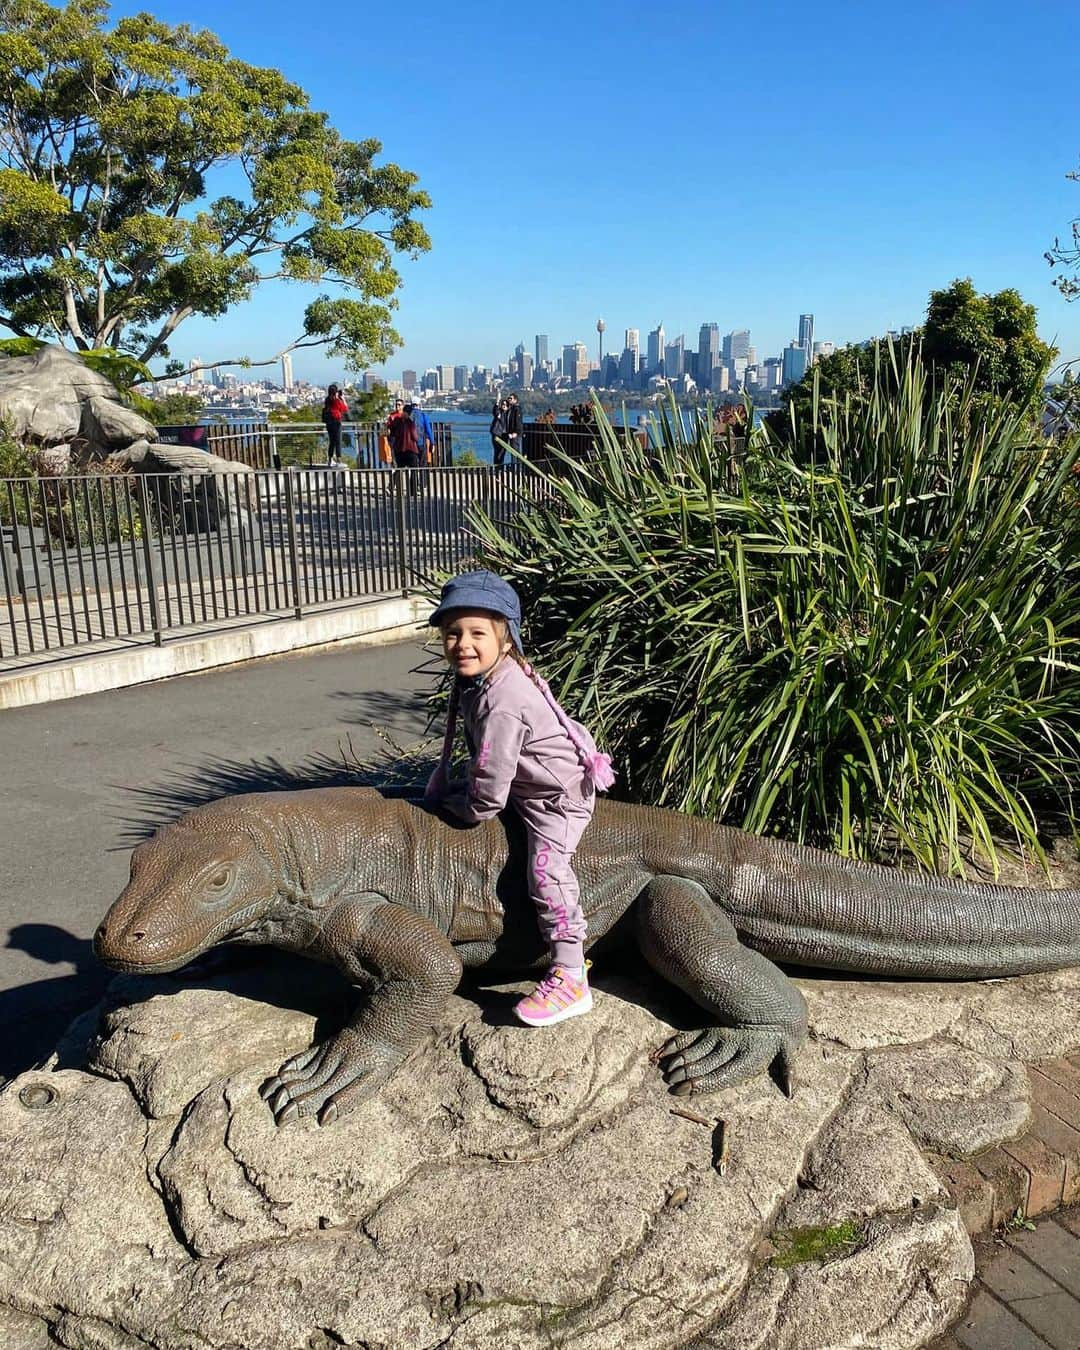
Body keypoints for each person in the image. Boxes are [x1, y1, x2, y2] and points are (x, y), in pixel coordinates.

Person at [424, 571, 615, 1026]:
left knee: (547, 869)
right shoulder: (480, 681)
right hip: (529, 784)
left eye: (477, 633)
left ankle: (571, 974)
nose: (462, 644)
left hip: (557, 797)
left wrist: (469, 806)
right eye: (453, 633)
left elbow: (490, 778)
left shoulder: (502, 698)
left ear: (505, 641)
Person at [321, 384, 349, 466]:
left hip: (329, 423)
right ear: (335, 392)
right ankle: (339, 460)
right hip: (336, 422)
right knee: (338, 441)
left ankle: (330, 460)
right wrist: (343, 399)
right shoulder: (336, 401)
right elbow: (345, 409)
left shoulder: (327, 400)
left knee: (332, 441)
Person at [409, 402, 435, 466]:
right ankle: (423, 475)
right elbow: (428, 430)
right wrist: (432, 442)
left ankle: (413, 475)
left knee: (413, 465)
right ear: (419, 405)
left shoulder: (409, 416)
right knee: (423, 464)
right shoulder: (423, 415)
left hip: (411, 444)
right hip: (421, 443)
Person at [503, 392, 522, 468]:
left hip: (515, 434)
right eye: (508, 398)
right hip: (510, 433)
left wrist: (515, 433)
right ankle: (514, 468)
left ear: (515, 400)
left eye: (511, 398)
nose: (509, 399)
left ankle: (517, 469)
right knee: (512, 451)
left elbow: (518, 422)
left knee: (515, 451)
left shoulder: (517, 409)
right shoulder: (510, 409)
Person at [489, 398, 508, 465]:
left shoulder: (508, 414)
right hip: (497, 434)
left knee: (502, 452)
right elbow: (495, 411)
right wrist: (497, 403)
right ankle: (497, 467)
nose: (504, 406)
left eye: (505, 405)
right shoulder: (499, 412)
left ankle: (500, 466)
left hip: (505, 435)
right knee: (497, 451)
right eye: (503, 404)